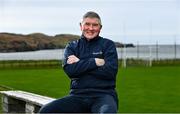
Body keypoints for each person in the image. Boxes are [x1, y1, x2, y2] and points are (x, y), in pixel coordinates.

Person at [39, 11, 119, 113]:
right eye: (87, 24)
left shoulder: (108, 45)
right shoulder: (72, 46)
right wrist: (95, 62)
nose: (90, 28)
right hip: (78, 96)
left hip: (104, 96)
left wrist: (80, 63)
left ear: (100, 28)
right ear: (81, 26)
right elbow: (71, 71)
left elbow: (110, 72)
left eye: (95, 25)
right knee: (46, 111)